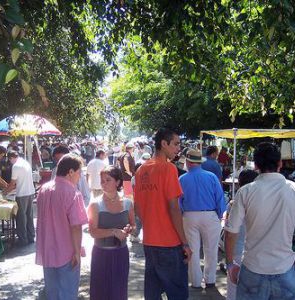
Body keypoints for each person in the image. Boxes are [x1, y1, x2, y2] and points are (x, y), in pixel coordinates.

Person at [224, 142, 295, 300]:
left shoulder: (245, 191)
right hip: (285, 269)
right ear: (280, 163)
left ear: (256, 165)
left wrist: (230, 264)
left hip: (253, 269)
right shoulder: (293, 190)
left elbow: (230, 234)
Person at [134, 128, 191, 300]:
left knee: (152, 293)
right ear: (163, 144)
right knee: (178, 293)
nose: (178, 149)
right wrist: (185, 243)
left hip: (150, 241)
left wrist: (151, 224)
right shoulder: (168, 168)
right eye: (175, 144)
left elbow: (137, 208)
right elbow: (174, 208)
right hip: (169, 242)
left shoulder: (141, 170)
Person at [36, 154, 88, 300]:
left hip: (47, 250)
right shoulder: (72, 192)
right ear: (70, 172)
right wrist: (77, 252)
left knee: (52, 293)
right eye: (79, 172)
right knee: (67, 293)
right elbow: (76, 226)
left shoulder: (44, 189)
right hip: (66, 251)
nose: (80, 176)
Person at [179, 149, 226, 289]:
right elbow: (220, 198)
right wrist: (218, 215)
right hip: (210, 214)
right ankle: (210, 280)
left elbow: (178, 202)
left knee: (192, 249)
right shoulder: (211, 177)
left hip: (189, 216)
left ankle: (195, 282)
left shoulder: (181, 179)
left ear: (188, 162)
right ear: (200, 162)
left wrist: (183, 214)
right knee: (211, 249)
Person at [88, 166, 135, 300]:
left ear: (118, 182)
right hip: (102, 254)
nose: (103, 183)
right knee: (101, 290)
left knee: (119, 290)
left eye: (108, 180)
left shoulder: (127, 203)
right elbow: (93, 232)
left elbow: (133, 225)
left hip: (121, 252)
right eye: (102, 181)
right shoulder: (95, 205)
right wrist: (114, 232)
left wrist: (129, 229)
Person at [225, 169, 258, 300]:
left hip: (236, 251)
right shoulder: (259, 203)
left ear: (239, 183)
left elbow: (229, 233)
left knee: (233, 288)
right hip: (252, 253)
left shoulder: (233, 203)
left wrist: (229, 262)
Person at [3, 150, 36, 246]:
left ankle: (23, 240)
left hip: (22, 194)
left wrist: (4, 192)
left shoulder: (16, 166)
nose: (10, 162)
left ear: (11, 158)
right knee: (29, 216)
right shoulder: (25, 162)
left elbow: (12, 184)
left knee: (21, 218)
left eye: (10, 160)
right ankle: (31, 237)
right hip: (30, 192)